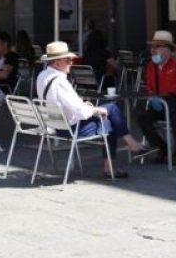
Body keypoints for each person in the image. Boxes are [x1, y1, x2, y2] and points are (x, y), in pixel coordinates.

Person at [36, 41, 156, 178]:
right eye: (68, 60)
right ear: (57, 63)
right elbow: (79, 112)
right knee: (109, 119)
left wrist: (89, 107)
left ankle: (128, 146)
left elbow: (67, 104)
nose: (71, 63)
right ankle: (115, 161)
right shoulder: (60, 82)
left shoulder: (42, 76)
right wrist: (96, 110)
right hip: (69, 128)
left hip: (54, 124)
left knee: (110, 110)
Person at [137, 30, 176, 165]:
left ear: (167, 49)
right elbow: (150, 87)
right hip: (160, 104)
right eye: (153, 47)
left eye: (157, 47)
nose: (153, 50)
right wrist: (152, 97)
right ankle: (162, 147)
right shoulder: (151, 66)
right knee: (142, 119)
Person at [83, 20, 118, 87]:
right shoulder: (105, 53)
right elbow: (115, 66)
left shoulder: (86, 54)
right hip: (100, 82)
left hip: (86, 83)